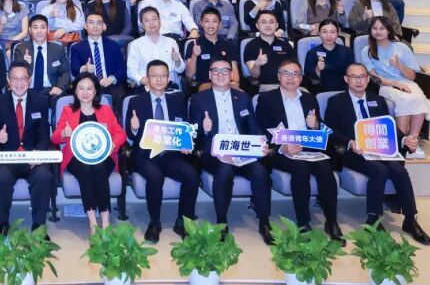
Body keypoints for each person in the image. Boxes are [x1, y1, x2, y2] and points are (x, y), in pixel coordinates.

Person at [323, 64, 430, 245]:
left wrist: (404, 140)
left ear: (367, 79)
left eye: (362, 76)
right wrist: (349, 143)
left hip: (378, 148)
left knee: (399, 171)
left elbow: (389, 128)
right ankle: (373, 219)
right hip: (353, 151)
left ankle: (410, 220)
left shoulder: (378, 101)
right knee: (379, 170)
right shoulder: (336, 101)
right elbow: (329, 131)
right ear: (346, 79)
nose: (358, 80)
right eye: (354, 77)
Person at [256, 60, 343, 242]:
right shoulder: (266, 99)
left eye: (295, 74)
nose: (291, 78)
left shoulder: (309, 98)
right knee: (300, 168)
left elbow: (321, 129)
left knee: (325, 168)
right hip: (282, 150)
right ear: (278, 76)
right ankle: (303, 222)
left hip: (309, 149)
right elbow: (261, 130)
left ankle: (331, 221)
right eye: (286, 73)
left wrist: (316, 125)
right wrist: (282, 146)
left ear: (301, 78)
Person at [189, 59, 274, 244]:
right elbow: (193, 136)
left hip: (241, 150)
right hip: (213, 152)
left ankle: (265, 222)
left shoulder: (242, 97)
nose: (220, 75)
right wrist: (203, 128)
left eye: (225, 71)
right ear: (210, 74)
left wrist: (262, 143)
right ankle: (222, 223)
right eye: (216, 71)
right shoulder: (198, 99)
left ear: (232, 74)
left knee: (260, 172)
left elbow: (252, 126)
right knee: (224, 171)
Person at [124, 60, 198, 242]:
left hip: (171, 155)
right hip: (145, 155)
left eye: (163, 76)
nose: (159, 79)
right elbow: (130, 135)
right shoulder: (136, 101)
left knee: (191, 175)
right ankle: (154, 222)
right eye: (154, 76)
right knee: (155, 177)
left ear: (168, 78)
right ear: (147, 78)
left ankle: (183, 222)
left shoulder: (178, 100)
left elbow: (184, 128)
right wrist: (134, 128)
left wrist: (186, 143)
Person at [53, 73, 126, 234]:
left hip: (104, 156)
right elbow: (55, 137)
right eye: (81, 88)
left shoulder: (106, 110)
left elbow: (121, 134)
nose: (85, 92)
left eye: (89, 89)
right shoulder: (68, 110)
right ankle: (92, 222)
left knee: (98, 167)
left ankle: (105, 221)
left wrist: (113, 144)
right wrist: (64, 133)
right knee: (86, 169)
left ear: (95, 91)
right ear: (75, 91)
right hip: (76, 157)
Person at [0, 63, 54, 233]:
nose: (19, 83)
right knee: (0, 177)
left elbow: (44, 134)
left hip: (32, 156)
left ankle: (39, 225)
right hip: (8, 157)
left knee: (44, 176)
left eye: (23, 78)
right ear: (8, 80)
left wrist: (38, 154)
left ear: (30, 80)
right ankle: (3, 224)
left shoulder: (40, 101)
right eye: (15, 79)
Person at [358, 17, 430, 159]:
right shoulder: (366, 50)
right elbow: (373, 76)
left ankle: (412, 142)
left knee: (419, 98)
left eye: (382, 28)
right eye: (375, 28)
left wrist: (399, 65)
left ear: (389, 30)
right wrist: (395, 84)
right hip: (384, 85)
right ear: (370, 31)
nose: (378, 32)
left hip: (406, 82)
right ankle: (400, 142)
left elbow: (412, 76)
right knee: (404, 99)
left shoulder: (402, 47)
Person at [69, 12, 127, 107]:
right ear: (85, 26)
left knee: (120, 98)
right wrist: (84, 69)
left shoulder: (113, 46)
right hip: (88, 86)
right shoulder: (77, 47)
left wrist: (111, 79)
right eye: (91, 22)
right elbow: (74, 69)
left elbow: (122, 70)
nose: (95, 26)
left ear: (104, 26)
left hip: (110, 85)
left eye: (99, 23)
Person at [126, 6, 185, 88]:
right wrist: (143, 80)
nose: (151, 23)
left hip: (170, 85)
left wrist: (177, 61)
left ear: (159, 21)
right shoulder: (135, 45)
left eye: (154, 19)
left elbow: (180, 69)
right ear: (142, 25)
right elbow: (131, 71)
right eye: (147, 20)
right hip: (147, 86)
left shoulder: (171, 42)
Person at [12, 15, 70, 97]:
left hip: (51, 91)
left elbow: (65, 72)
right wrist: (24, 63)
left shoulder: (57, 49)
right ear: (30, 30)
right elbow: (15, 73)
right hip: (27, 91)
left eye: (43, 27)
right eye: (35, 28)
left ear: (48, 29)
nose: (39, 31)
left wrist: (59, 87)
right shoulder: (21, 48)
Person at [186, 7, 240, 91]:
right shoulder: (193, 44)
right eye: (207, 21)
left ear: (220, 24)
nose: (210, 25)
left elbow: (235, 76)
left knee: (242, 95)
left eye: (214, 21)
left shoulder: (228, 45)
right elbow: (189, 75)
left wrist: (234, 83)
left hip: (226, 86)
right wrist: (194, 55)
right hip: (204, 88)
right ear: (201, 23)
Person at [245, 10, 295, 90]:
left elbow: (295, 68)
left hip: (288, 84)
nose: (268, 25)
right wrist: (257, 64)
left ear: (277, 25)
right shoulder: (251, 46)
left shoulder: (285, 44)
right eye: (263, 22)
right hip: (266, 86)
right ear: (257, 25)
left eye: (271, 22)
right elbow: (254, 75)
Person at [304, 19, 353, 93]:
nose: (328, 36)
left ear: (337, 33)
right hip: (321, 91)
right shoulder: (312, 53)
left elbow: (351, 74)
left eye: (332, 32)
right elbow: (310, 80)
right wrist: (318, 70)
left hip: (344, 91)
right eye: (324, 32)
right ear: (319, 33)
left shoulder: (347, 51)